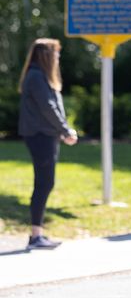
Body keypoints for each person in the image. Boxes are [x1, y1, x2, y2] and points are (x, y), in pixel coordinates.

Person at [17, 38, 78, 249]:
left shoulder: (39, 76)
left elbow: (50, 107)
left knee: (45, 182)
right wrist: (65, 130)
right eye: (56, 54)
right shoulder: (36, 76)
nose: (58, 58)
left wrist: (60, 131)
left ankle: (38, 233)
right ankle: (36, 235)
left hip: (46, 134)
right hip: (41, 135)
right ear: (47, 56)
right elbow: (48, 107)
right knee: (44, 183)